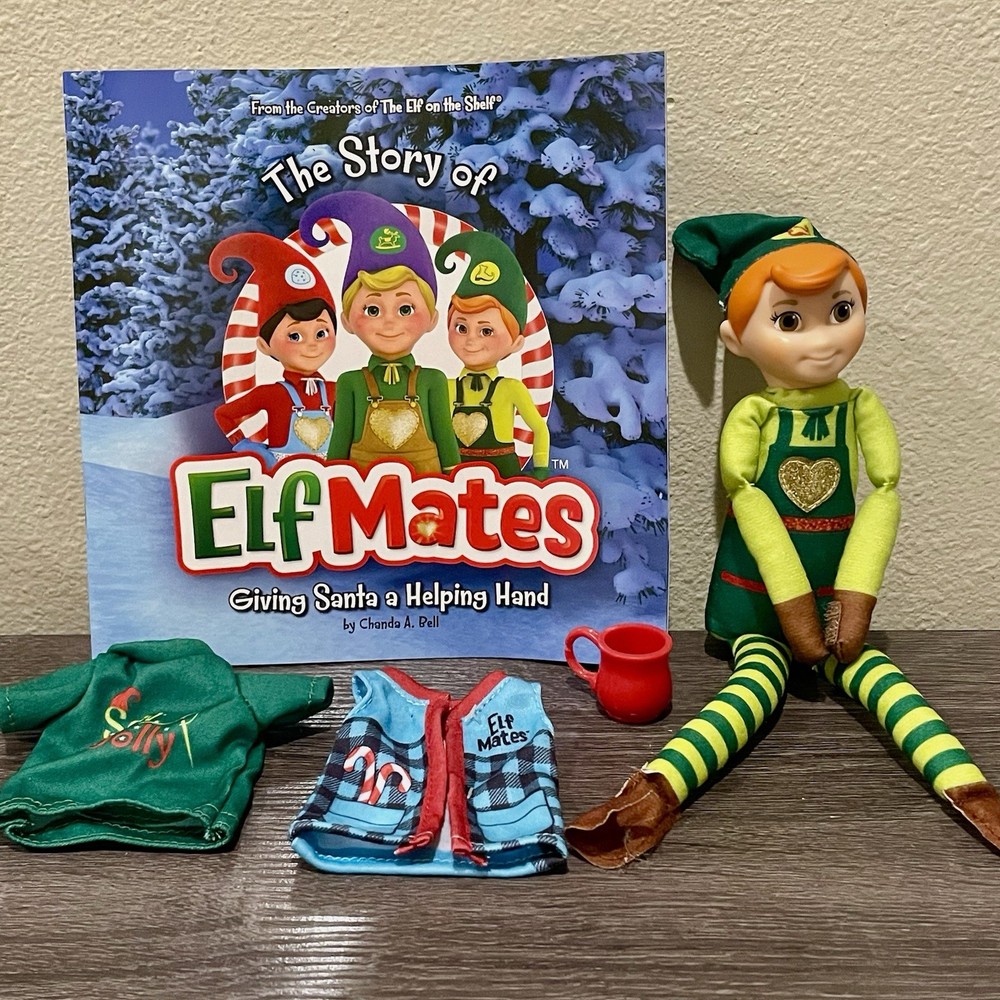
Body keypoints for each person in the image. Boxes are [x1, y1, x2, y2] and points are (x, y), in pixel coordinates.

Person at [566, 214, 1000, 867]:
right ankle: (651, 794)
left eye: (841, 311)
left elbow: (884, 493)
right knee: (752, 690)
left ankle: (973, 792)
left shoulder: (860, 407)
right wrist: (795, 616)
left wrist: (853, 602)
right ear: (735, 339)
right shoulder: (755, 415)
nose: (822, 340)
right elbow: (748, 498)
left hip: (835, 614)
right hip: (762, 614)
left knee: (884, 678)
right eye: (790, 321)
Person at [298, 191, 459, 475]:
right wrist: (332, 482)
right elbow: (340, 443)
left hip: (428, 490)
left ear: (432, 319)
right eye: (372, 310)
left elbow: (446, 440)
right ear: (347, 321)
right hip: (363, 490)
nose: (389, 322)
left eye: (406, 309)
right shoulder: (350, 383)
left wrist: (457, 480)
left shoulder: (433, 380)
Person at [212, 232, 337, 466]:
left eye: (321, 333)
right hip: (283, 474)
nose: (312, 344)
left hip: (329, 473)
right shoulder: (271, 394)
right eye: (294, 335)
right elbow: (224, 414)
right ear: (264, 345)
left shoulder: (334, 391)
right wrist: (247, 446)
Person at [436, 230, 549, 480]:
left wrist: (541, 470)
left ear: (516, 343)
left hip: (503, 474)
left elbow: (539, 428)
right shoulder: (445, 387)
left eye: (486, 331)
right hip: (454, 475)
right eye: (461, 328)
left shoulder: (511, 388)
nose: (471, 340)